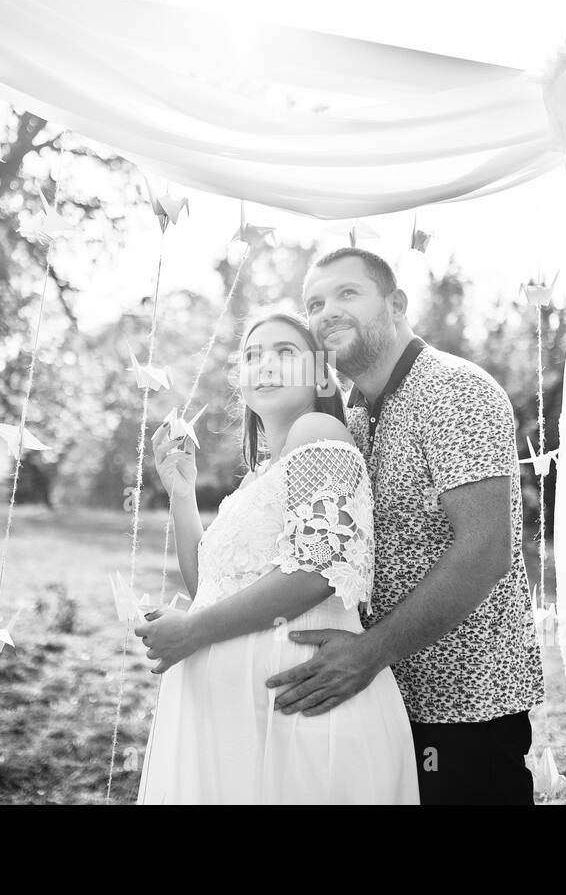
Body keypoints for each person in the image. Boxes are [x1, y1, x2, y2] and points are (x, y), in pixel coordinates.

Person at [265, 246, 545, 805]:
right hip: (384, 702)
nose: (327, 313)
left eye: (348, 294)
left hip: (465, 709)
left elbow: (485, 550)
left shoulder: (452, 390)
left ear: (396, 303)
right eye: (314, 303)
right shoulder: (353, 413)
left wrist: (369, 653)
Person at [133, 308, 418, 804]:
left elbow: (318, 569)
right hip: (246, 718)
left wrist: (194, 631)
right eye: (252, 356)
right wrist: (182, 494)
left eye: (285, 353)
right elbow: (209, 584)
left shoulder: (318, 432)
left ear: (319, 374)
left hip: (300, 705)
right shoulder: (258, 475)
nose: (265, 365)